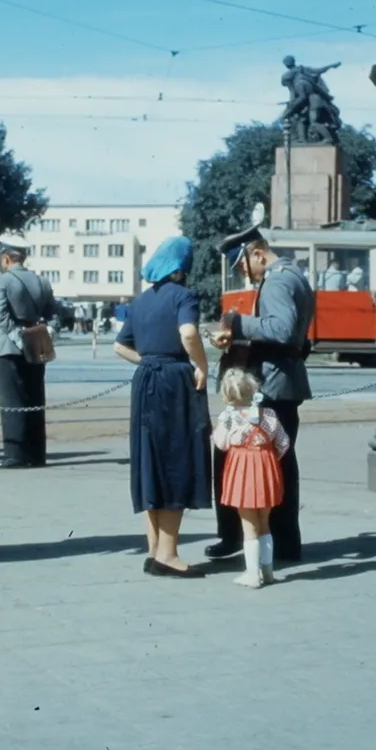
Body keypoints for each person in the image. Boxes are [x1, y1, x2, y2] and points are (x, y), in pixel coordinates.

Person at [208, 225, 315, 563]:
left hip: (272, 383)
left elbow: (282, 329)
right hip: (284, 380)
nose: (243, 271)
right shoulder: (292, 275)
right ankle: (283, 542)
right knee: (281, 463)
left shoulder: (278, 280)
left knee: (235, 456)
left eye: (242, 263)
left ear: (257, 253)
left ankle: (234, 536)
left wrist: (236, 323)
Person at [113, 236, 211, 577]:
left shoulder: (140, 302)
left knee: (150, 461)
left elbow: (118, 347)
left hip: (145, 382)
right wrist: (201, 364)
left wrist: (148, 359)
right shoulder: (184, 296)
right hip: (174, 382)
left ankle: (154, 549)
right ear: (183, 267)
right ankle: (168, 554)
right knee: (176, 461)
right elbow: (188, 333)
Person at [212, 368, 289, 589]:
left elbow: (222, 444)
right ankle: (268, 571)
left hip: (242, 470)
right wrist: (268, 458)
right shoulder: (270, 415)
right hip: (266, 468)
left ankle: (252, 574)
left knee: (248, 526)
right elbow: (283, 442)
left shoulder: (229, 417)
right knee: (265, 523)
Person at [0, 244, 56, 470]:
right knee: (36, 399)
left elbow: (1, 315)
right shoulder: (42, 281)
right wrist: (43, 334)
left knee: (12, 401)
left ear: (7, 258)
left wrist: (19, 338)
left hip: (10, 348)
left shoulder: (2, 280)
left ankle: (15, 454)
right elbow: (53, 314)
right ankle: (37, 454)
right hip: (37, 345)